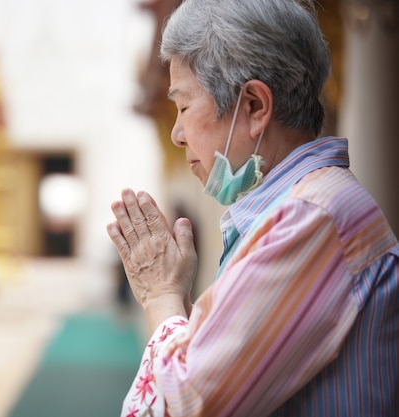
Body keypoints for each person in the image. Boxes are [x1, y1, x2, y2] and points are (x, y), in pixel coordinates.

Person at [106, 0, 399, 416]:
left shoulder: (312, 217)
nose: (176, 134)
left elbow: (192, 401)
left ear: (254, 107)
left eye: (184, 106)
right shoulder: (300, 209)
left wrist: (162, 294)